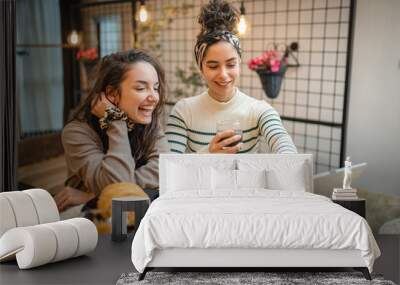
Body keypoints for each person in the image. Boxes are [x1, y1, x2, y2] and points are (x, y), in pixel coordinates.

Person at [166, 0, 297, 155]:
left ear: (239, 64)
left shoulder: (259, 110)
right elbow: (169, 166)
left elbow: (282, 142)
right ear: (200, 68)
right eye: (213, 66)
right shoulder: (184, 111)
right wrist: (209, 152)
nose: (223, 74)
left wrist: (287, 160)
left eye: (231, 64)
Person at [57, 49, 169, 212]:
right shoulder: (76, 133)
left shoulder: (148, 122)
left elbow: (164, 167)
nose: (154, 97)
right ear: (111, 93)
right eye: (141, 88)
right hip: (90, 220)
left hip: (126, 214)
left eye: (156, 88)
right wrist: (115, 122)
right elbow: (119, 190)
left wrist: (94, 196)